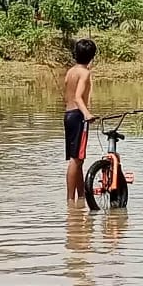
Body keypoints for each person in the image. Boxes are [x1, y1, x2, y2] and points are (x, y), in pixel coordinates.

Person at [63, 38, 97, 203]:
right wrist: (87, 114)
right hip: (78, 115)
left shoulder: (70, 72)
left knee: (79, 159)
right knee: (76, 160)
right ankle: (70, 200)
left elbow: (68, 96)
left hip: (68, 115)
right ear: (92, 56)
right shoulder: (85, 73)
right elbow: (78, 97)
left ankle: (81, 197)